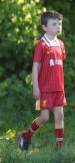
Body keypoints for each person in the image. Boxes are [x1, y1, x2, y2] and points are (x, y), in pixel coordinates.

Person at [18, 11, 66, 150]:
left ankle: (59, 148)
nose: (58, 27)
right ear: (44, 27)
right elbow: (35, 67)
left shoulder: (61, 44)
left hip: (59, 88)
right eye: (54, 24)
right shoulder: (41, 45)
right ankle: (26, 136)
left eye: (59, 24)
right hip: (45, 88)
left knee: (60, 116)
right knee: (44, 117)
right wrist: (36, 88)